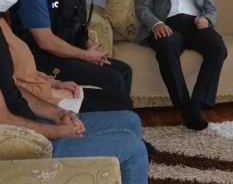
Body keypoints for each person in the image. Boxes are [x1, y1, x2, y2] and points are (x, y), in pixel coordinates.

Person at [0, 28, 149, 184]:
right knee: (133, 150)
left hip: (32, 122)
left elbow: (12, 89)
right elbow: (4, 120)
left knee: (130, 120)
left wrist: (58, 113)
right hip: (22, 144)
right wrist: (59, 132)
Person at [0, 0, 133, 113]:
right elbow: (45, 42)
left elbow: (77, 23)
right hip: (47, 59)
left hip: (66, 56)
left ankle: (124, 122)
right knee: (113, 78)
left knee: (124, 70)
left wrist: (91, 48)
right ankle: (118, 122)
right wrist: (84, 56)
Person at [134, 0, 228, 131]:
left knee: (218, 47)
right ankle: (186, 106)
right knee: (167, 48)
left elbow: (211, 7)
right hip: (166, 24)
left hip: (195, 24)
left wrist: (207, 20)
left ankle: (196, 104)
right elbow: (142, 6)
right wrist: (156, 24)